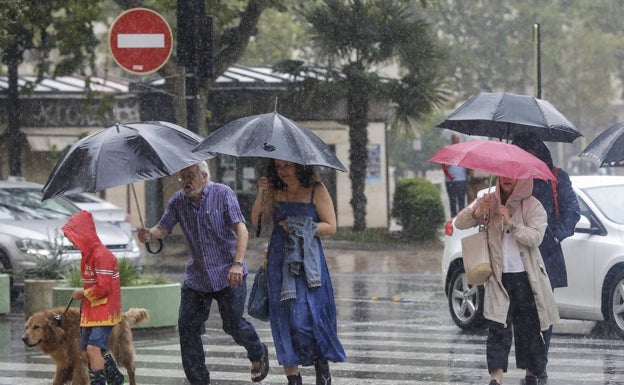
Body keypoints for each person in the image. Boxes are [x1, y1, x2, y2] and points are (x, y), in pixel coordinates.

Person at [137, 160, 269, 385]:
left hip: (229, 273)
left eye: (190, 175)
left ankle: (258, 352)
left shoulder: (223, 194)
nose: (185, 181)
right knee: (187, 328)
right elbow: (163, 228)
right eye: (183, 176)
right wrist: (149, 234)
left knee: (233, 325)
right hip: (198, 277)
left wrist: (237, 263)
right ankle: (199, 381)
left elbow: (242, 229)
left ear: (204, 176)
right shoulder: (178, 200)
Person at [454, 175, 559, 385]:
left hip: (527, 278)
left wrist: (511, 222)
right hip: (499, 278)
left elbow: (535, 237)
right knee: (497, 326)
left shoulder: (532, 204)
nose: (508, 179)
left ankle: (531, 374)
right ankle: (496, 377)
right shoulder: (488, 199)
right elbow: (460, 222)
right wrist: (477, 212)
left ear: (521, 178)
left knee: (529, 328)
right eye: (504, 175)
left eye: (513, 176)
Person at [251, 159, 346, 385]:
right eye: (277, 166)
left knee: (306, 318)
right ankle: (293, 378)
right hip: (278, 259)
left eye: (286, 165)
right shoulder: (274, 190)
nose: (281, 171)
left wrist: (300, 225)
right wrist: (261, 194)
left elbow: (331, 226)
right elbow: (258, 221)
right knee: (283, 319)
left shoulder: (316, 190)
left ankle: (321, 363)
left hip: (308, 263)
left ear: (299, 166)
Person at [512, 133, 580, 379]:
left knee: (543, 312)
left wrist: (554, 236)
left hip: (546, 256)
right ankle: (531, 365)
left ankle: (537, 365)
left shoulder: (556, 177)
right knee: (522, 313)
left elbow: (573, 212)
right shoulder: (513, 178)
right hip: (517, 254)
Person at [61, 210, 125, 385]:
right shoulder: (86, 256)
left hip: (105, 311)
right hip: (90, 309)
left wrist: (83, 294)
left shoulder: (102, 255)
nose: (71, 242)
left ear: (83, 235)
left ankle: (100, 383)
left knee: (93, 348)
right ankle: (114, 376)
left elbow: (103, 287)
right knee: (85, 352)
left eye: (72, 238)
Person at [445, 133, 468, 216]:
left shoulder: (463, 151)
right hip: (450, 181)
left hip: (461, 179)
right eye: (455, 139)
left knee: (461, 201)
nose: (456, 141)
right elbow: (444, 165)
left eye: (458, 139)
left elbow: (468, 164)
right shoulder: (447, 150)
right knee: (452, 201)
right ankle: (453, 218)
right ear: (452, 140)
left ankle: (460, 219)